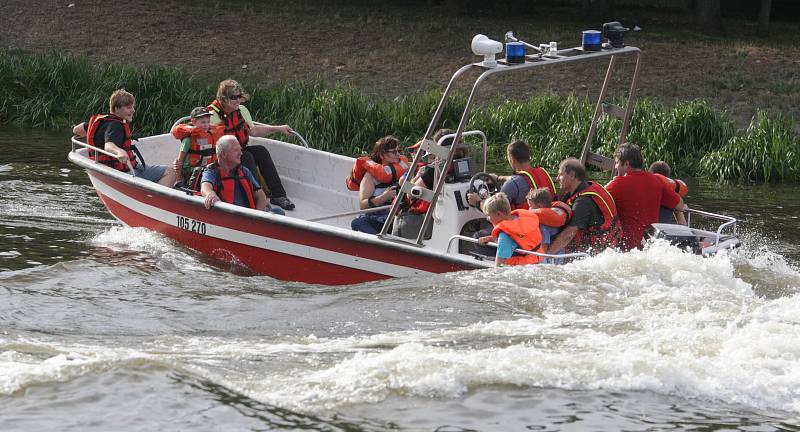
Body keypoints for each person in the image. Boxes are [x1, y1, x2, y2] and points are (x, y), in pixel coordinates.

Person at [207, 79, 296, 210]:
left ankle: (279, 195)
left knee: (260, 150)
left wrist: (278, 128)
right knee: (247, 156)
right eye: (233, 97)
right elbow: (212, 144)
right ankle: (256, 197)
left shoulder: (241, 110)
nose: (237, 100)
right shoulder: (212, 115)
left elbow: (254, 131)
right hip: (223, 157)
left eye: (239, 96)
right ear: (223, 99)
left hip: (238, 151)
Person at [72, 89, 176, 186]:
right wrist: (119, 152)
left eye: (133, 107)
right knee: (170, 173)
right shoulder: (116, 126)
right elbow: (108, 146)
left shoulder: (101, 121)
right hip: (124, 172)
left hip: (108, 169)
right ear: (117, 109)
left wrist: (90, 131)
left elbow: (76, 130)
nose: (133, 110)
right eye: (129, 107)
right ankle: (154, 202)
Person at [606, 144, 687, 251]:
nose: (615, 167)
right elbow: (680, 206)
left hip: (626, 249)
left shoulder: (616, 184)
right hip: (651, 247)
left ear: (626, 163)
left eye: (616, 163)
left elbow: (597, 199)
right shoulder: (657, 180)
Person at [546, 158, 622, 256]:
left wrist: (547, 255)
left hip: (595, 255)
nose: (557, 178)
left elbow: (568, 235)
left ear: (572, 175)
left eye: (560, 174)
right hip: (610, 247)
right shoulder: (589, 187)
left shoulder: (583, 201)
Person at [200, 136, 285, 215]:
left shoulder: (244, 171)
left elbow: (261, 195)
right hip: (229, 216)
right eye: (236, 150)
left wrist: (256, 216)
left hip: (248, 216)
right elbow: (205, 187)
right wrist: (210, 194)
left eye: (240, 150)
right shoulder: (212, 170)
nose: (241, 153)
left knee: (279, 212)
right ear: (223, 154)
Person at [466, 140, 556, 211]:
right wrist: (498, 178)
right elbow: (522, 179)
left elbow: (494, 211)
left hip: (522, 230)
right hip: (545, 225)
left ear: (512, 160)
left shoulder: (512, 184)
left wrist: (478, 202)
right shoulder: (542, 172)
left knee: (477, 235)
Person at [351, 136, 405, 234]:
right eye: (393, 152)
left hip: (397, 219)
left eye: (399, 151)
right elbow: (363, 205)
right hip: (377, 220)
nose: (398, 154)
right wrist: (384, 197)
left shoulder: (404, 172)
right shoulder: (370, 177)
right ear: (382, 155)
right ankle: (378, 242)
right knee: (357, 223)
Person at [477, 192, 543, 267]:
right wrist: (490, 238)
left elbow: (499, 266)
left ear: (499, 214)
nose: (487, 219)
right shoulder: (520, 217)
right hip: (538, 258)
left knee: (477, 236)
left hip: (523, 266)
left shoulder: (505, 236)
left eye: (489, 215)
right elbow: (520, 239)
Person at [171, 106, 222, 186]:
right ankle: (191, 189)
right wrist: (179, 179)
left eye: (208, 122)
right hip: (189, 171)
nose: (206, 125)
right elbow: (179, 161)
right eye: (203, 122)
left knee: (217, 169)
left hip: (205, 169)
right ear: (193, 122)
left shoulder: (211, 135)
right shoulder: (188, 139)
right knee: (200, 170)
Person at [526, 187, 571, 260]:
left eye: (530, 206)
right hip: (561, 253)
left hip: (553, 259)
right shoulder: (550, 219)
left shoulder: (543, 225)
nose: (529, 209)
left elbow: (544, 247)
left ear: (539, 206)